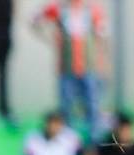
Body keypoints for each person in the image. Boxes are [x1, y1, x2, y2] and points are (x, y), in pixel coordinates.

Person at [33, 0, 107, 139]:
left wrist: (102, 63)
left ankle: (93, 141)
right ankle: (68, 139)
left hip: (89, 66)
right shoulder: (59, 8)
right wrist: (49, 38)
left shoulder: (92, 10)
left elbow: (102, 36)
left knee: (92, 105)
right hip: (66, 67)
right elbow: (35, 19)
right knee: (66, 106)